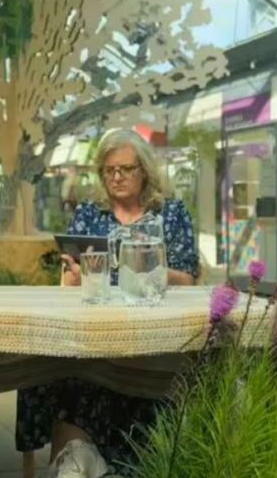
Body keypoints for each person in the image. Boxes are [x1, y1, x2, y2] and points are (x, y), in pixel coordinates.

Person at [16, 128, 199, 478]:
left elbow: (187, 277)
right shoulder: (90, 213)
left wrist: (144, 268)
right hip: (96, 327)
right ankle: (77, 459)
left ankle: (106, 462)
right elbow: (71, 279)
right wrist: (71, 275)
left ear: (144, 169)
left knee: (127, 378)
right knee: (56, 369)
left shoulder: (170, 214)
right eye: (108, 170)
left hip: (154, 330)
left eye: (125, 169)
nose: (116, 177)